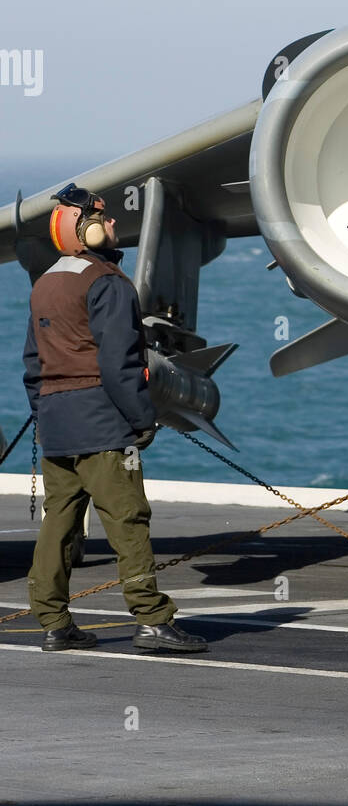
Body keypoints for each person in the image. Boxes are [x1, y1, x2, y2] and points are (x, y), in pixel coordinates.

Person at [23, 183, 207, 654]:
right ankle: (152, 620)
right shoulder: (107, 283)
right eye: (103, 219)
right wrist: (142, 418)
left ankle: (53, 623)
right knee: (128, 519)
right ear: (84, 229)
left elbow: (31, 364)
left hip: (57, 424)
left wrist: (44, 413)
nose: (112, 225)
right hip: (102, 423)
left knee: (58, 523)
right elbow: (119, 364)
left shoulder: (45, 283)